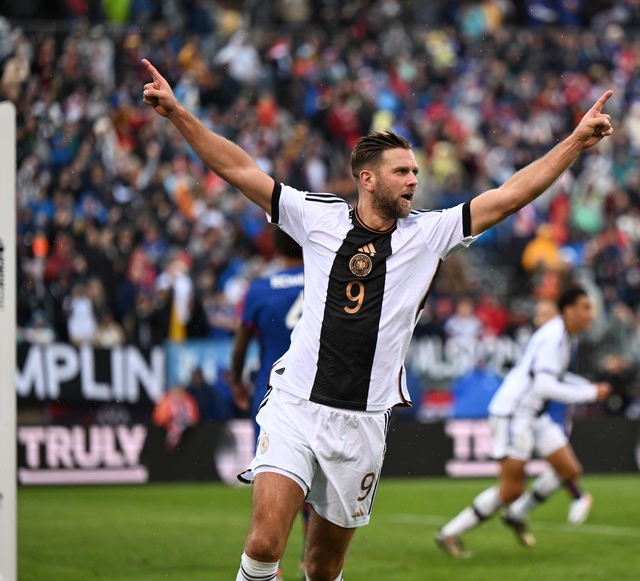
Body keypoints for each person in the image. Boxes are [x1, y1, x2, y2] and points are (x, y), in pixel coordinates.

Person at [141, 57, 613, 581]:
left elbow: (509, 196)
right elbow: (239, 169)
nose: (414, 180)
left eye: (414, 171)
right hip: (297, 404)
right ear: (367, 179)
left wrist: (574, 142)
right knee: (263, 542)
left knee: (320, 568)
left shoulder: (430, 233)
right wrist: (179, 114)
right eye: (402, 171)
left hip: (364, 422)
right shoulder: (316, 215)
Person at [435, 286, 611, 558]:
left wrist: (589, 386)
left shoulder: (563, 337)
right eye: (586, 307)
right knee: (512, 488)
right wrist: (589, 393)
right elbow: (544, 385)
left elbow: (555, 378)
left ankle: (516, 514)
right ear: (569, 310)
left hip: (533, 414)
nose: (592, 314)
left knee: (568, 470)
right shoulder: (554, 337)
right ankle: (449, 533)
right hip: (514, 413)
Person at [230, 226, 308, 579]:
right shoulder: (326, 278)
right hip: (318, 392)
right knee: (316, 480)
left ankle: (268, 566)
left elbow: (242, 341)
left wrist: (235, 381)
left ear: (274, 247)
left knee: (271, 472)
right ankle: (310, 558)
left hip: (273, 394)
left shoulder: (259, 288)